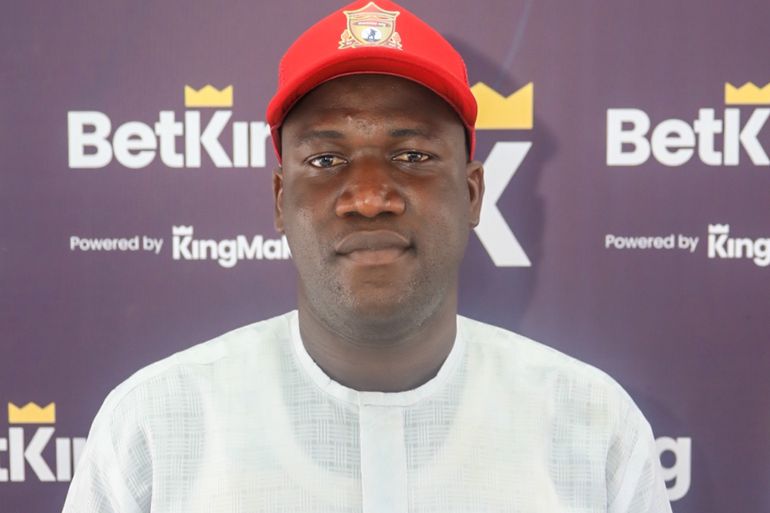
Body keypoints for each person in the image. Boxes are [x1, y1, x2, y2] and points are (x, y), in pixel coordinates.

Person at [63, 1, 673, 512]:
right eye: (327, 160)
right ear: (280, 199)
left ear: (471, 194)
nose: (370, 197)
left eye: (412, 156)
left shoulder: (594, 429)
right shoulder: (155, 430)